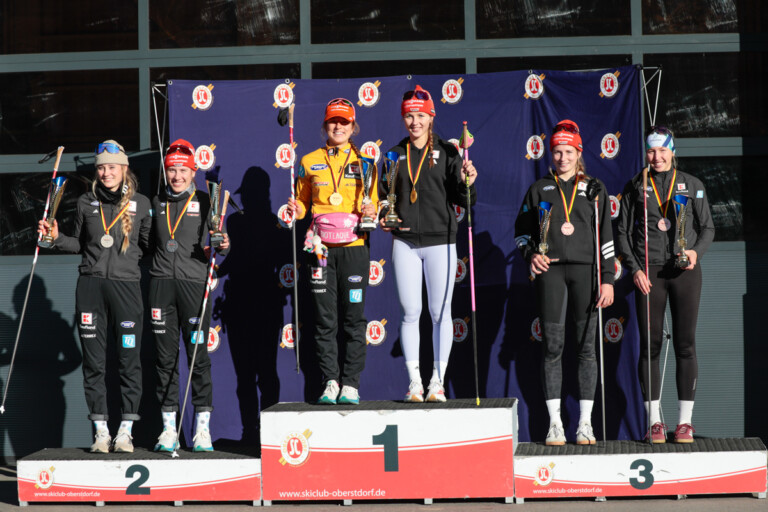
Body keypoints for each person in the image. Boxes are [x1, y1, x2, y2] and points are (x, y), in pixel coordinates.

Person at [38, 140, 151, 453]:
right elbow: (79, 244)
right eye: (101, 167)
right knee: (94, 364)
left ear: (124, 169)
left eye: (111, 167)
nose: (105, 172)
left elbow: (151, 246)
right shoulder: (86, 202)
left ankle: (125, 432)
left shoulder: (141, 203)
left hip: (127, 289)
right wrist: (55, 238)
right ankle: (101, 432)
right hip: (90, 287)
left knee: (129, 362)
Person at [514, 120, 614, 446]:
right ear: (550, 153)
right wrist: (531, 254)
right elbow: (521, 234)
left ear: (579, 153)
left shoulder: (595, 190)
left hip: (587, 272)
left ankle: (585, 423)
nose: (562, 157)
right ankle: (554, 423)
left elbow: (607, 240)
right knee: (553, 347)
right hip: (551, 272)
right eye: (557, 151)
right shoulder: (539, 188)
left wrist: (609, 279)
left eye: (568, 151)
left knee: (587, 348)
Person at [616, 126, 714, 444]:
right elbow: (622, 234)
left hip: (684, 271)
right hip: (650, 274)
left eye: (662, 151)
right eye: (651, 151)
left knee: (685, 344)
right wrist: (634, 269)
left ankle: (685, 423)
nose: (656, 157)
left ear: (673, 151)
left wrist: (695, 253)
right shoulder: (635, 185)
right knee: (650, 346)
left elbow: (707, 227)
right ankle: (655, 422)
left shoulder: (692, 185)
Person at [380, 85, 477, 403]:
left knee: (440, 312)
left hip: (440, 241)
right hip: (404, 240)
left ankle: (437, 381)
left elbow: (462, 198)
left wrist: (468, 181)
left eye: (420, 115)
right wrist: (382, 213)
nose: (414, 121)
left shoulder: (449, 152)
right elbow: (384, 198)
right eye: (409, 115)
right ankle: (415, 383)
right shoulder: (394, 154)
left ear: (431, 117)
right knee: (410, 312)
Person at [287, 98, 378, 405]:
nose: (338, 127)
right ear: (325, 125)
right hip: (320, 251)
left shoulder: (366, 163)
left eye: (344, 122)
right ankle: (330, 381)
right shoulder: (309, 160)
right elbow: (301, 207)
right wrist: (294, 207)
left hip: (354, 249)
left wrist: (372, 208)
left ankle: (351, 383)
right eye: (332, 121)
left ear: (353, 127)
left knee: (354, 318)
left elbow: (375, 205)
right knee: (325, 320)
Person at [149, 139, 230, 452]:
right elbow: (144, 243)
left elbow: (222, 243)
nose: (177, 176)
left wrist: (221, 244)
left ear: (193, 171)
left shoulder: (207, 200)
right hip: (160, 285)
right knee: (165, 361)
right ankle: (169, 429)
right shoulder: (154, 203)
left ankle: (201, 430)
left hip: (194, 285)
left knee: (198, 359)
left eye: (182, 169)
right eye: (172, 170)